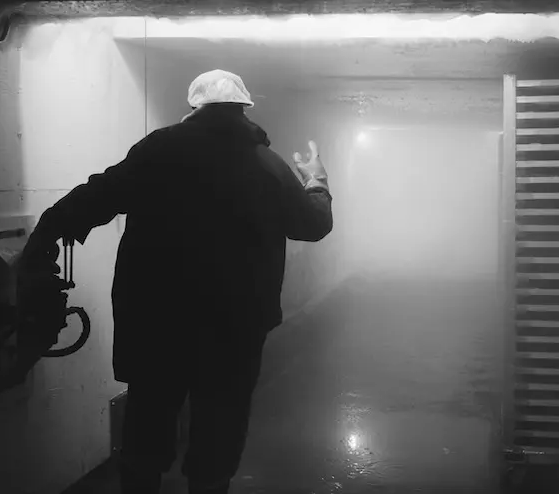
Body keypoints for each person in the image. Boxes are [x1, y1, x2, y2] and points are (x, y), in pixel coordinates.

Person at [19, 69, 333, 494]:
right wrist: (317, 179)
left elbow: (98, 196)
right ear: (243, 108)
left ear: (194, 107)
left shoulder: (160, 151)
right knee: (219, 430)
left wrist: (46, 236)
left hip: (156, 322)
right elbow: (312, 226)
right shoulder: (267, 164)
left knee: (147, 427)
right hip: (235, 328)